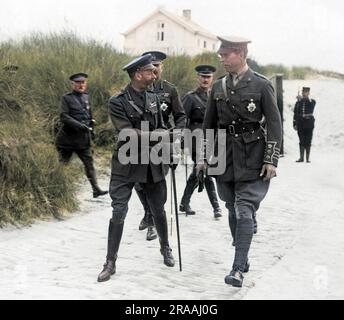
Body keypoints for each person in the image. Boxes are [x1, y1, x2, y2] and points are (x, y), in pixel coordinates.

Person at [199, 36, 282, 287]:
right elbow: (208, 125)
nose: (221, 58)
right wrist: (204, 157)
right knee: (230, 207)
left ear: (241, 53)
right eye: (220, 55)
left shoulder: (261, 84)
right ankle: (242, 254)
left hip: (253, 155)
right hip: (225, 156)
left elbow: (275, 124)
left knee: (244, 209)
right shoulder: (218, 87)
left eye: (226, 54)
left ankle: (237, 269)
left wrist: (271, 159)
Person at [97, 54, 175, 282]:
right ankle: (110, 262)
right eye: (150, 71)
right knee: (119, 211)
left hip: (152, 162)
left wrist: (167, 142)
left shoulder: (154, 98)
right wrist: (156, 135)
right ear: (138, 75)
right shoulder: (117, 101)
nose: (155, 74)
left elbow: (161, 126)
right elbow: (126, 132)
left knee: (158, 209)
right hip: (126, 162)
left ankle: (165, 247)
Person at [135, 51, 186, 241]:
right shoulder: (138, 90)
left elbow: (180, 115)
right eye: (152, 66)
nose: (155, 69)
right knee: (139, 184)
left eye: (158, 66)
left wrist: (177, 135)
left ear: (162, 68)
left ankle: (153, 221)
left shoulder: (169, 90)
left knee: (157, 183)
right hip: (140, 143)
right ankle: (149, 213)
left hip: (162, 144)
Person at [55, 73, 108, 198]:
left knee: (89, 164)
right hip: (67, 140)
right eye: (78, 83)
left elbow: (89, 116)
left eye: (83, 82)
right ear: (73, 84)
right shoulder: (66, 98)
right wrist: (79, 125)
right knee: (62, 165)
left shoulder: (86, 97)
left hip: (83, 140)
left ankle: (96, 189)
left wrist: (91, 130)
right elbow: (64, 116)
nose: (81, 85)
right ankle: (57, 189)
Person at [179, 65, 222, 218]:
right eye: (202, 77)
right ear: (198, 78)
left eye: (208, 77)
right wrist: (182, 139)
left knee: (198, 171)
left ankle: (184, 202)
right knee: (206, 170)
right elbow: (182, 118)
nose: (205, 79)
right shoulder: (190, 97)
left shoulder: (216, 96)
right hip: (195, 138)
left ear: (212, 79)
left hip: (212, 138)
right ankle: (216, 207)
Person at [293, 87, 316, 163]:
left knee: (308, 140)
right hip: (300, 123)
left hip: (309, 123)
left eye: (306, 92)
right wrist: (294, 123)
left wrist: (301, 99)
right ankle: (301, 157)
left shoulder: (312, 101)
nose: (304, 93)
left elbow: (311, 106)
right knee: (301, 140)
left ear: (308, 93)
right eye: (303, 92)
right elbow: (295, 113)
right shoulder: (298, 102)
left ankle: (307, 158)